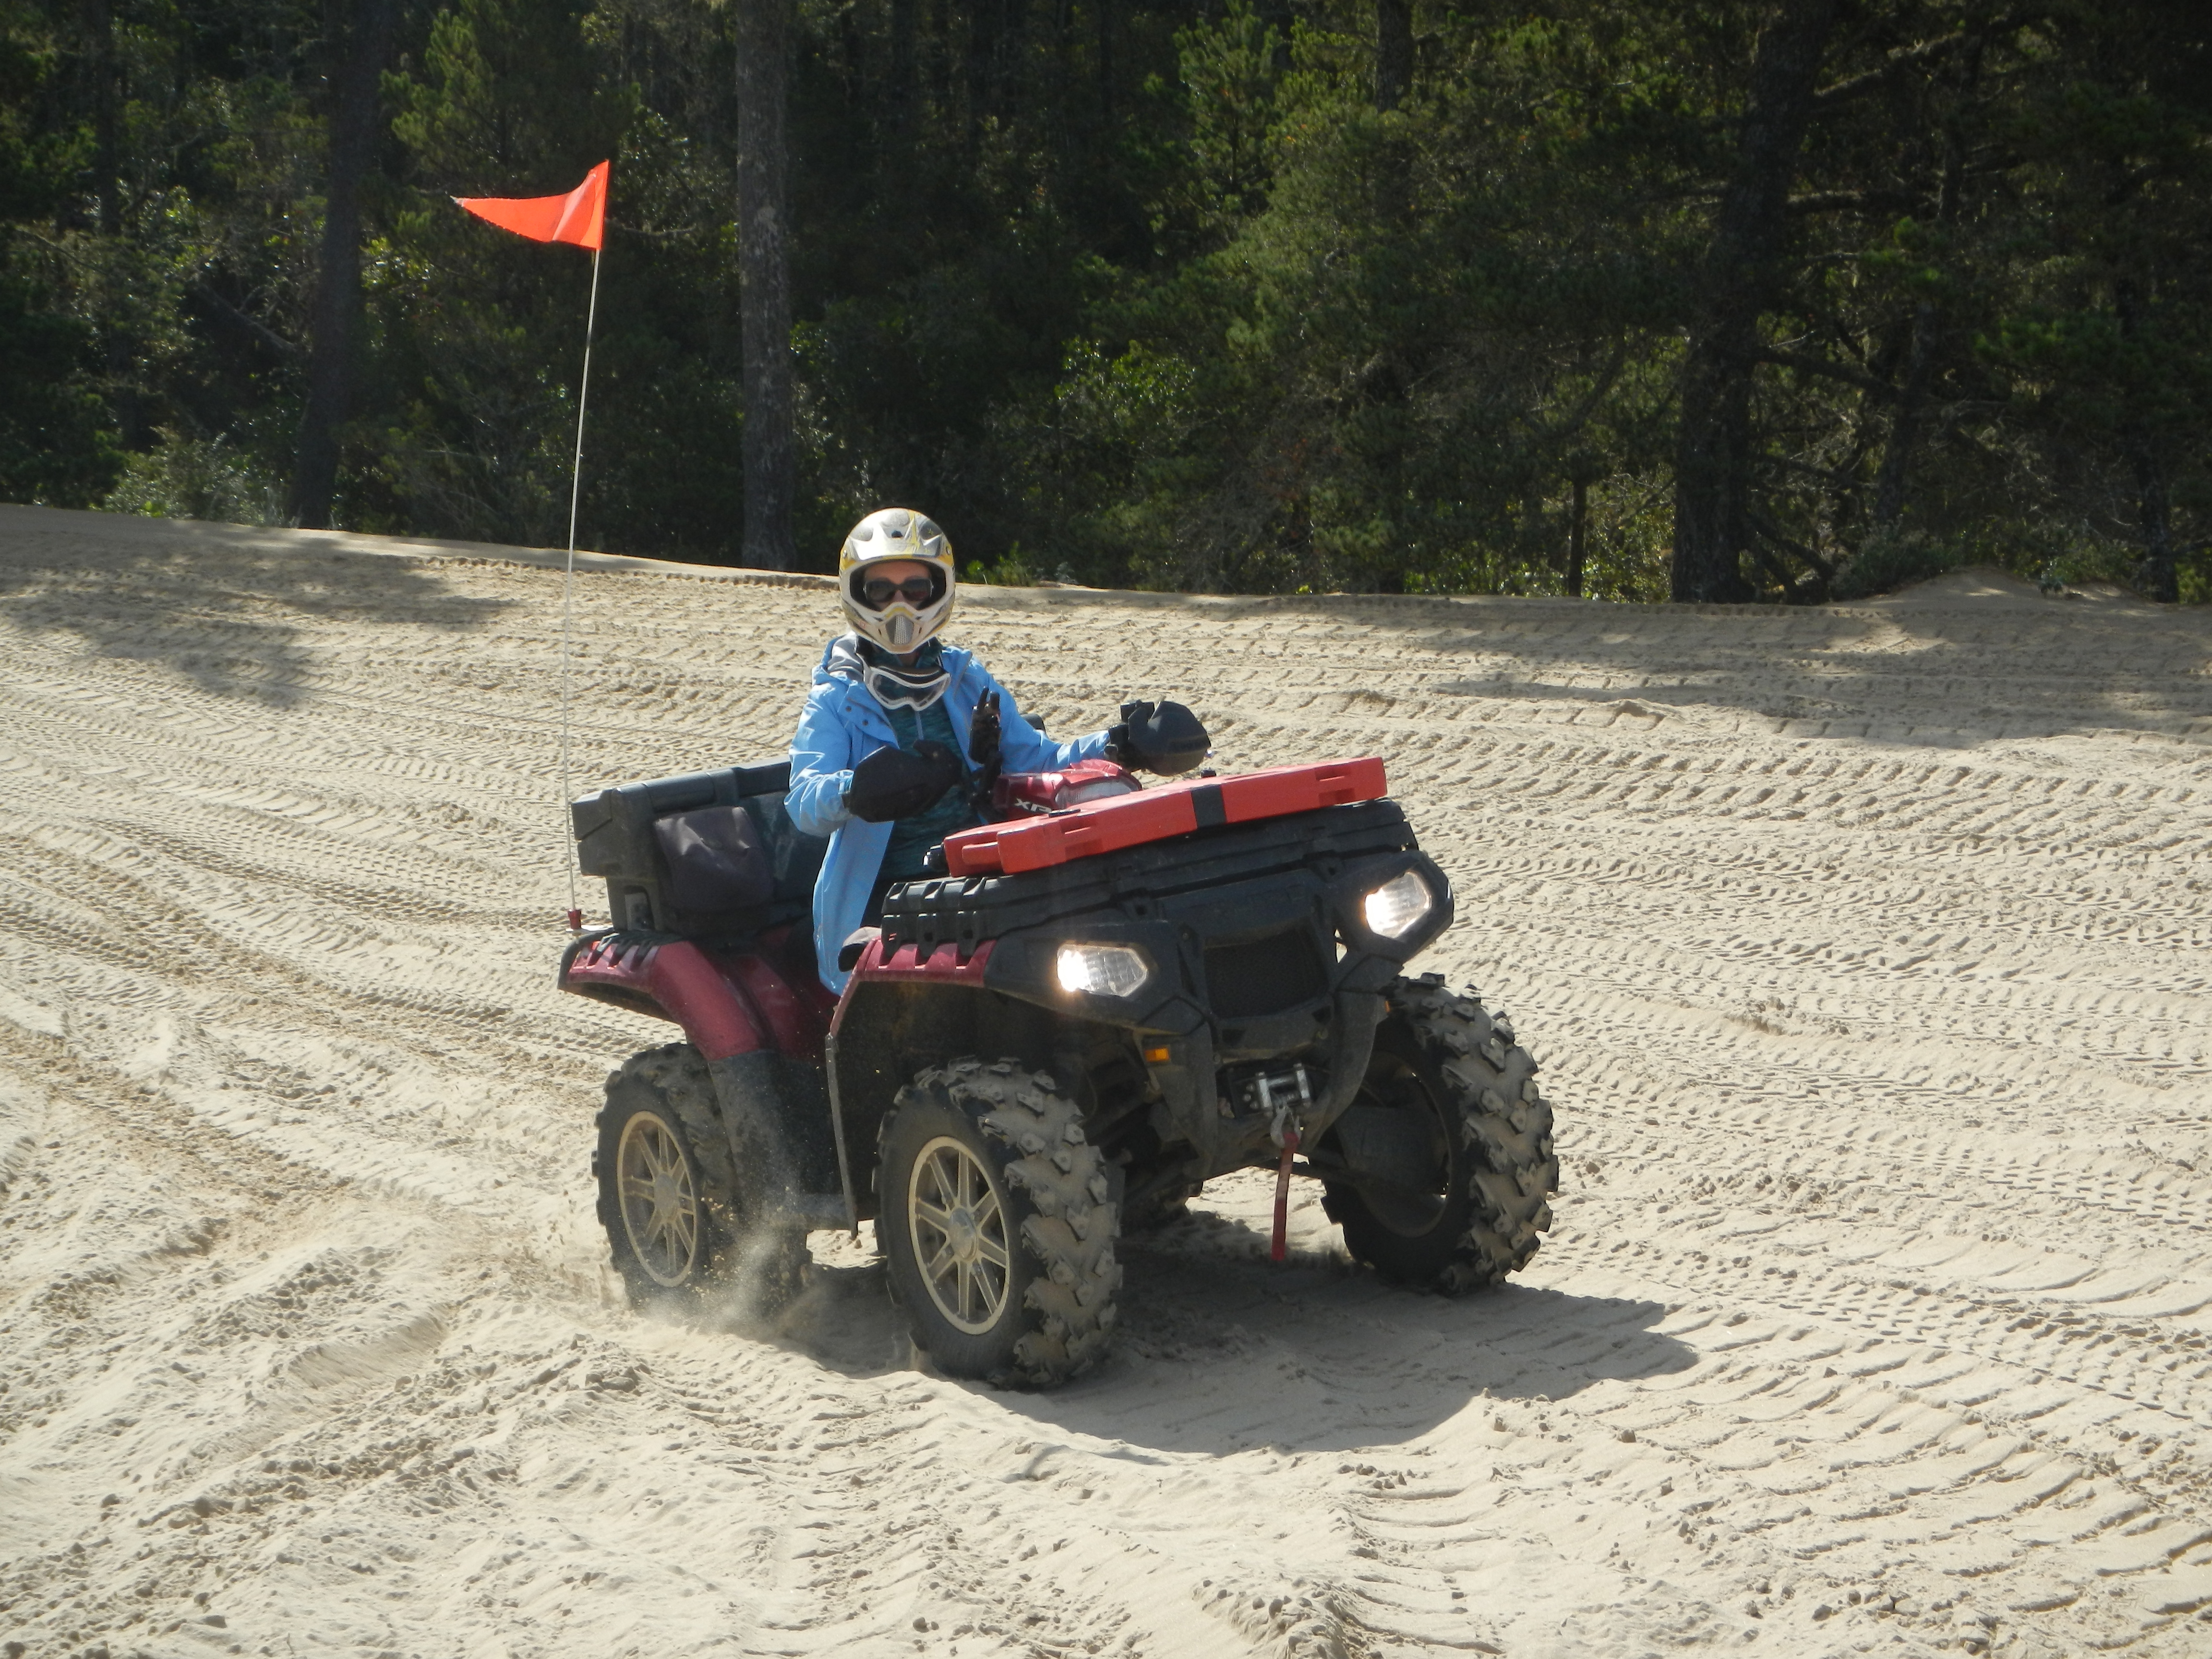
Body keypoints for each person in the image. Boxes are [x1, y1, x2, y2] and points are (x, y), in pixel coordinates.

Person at [785, 508, 1112, 994]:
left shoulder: (963, 678)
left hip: (976, 872)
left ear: (939, 590)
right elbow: (804, 803)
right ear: (857, 594)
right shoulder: (837, 698)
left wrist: (1119, 743)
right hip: (886, 893)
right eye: (881, 590)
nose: (900, 605)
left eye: (915, 588)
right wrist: (859, 790)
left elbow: (1039, 760)